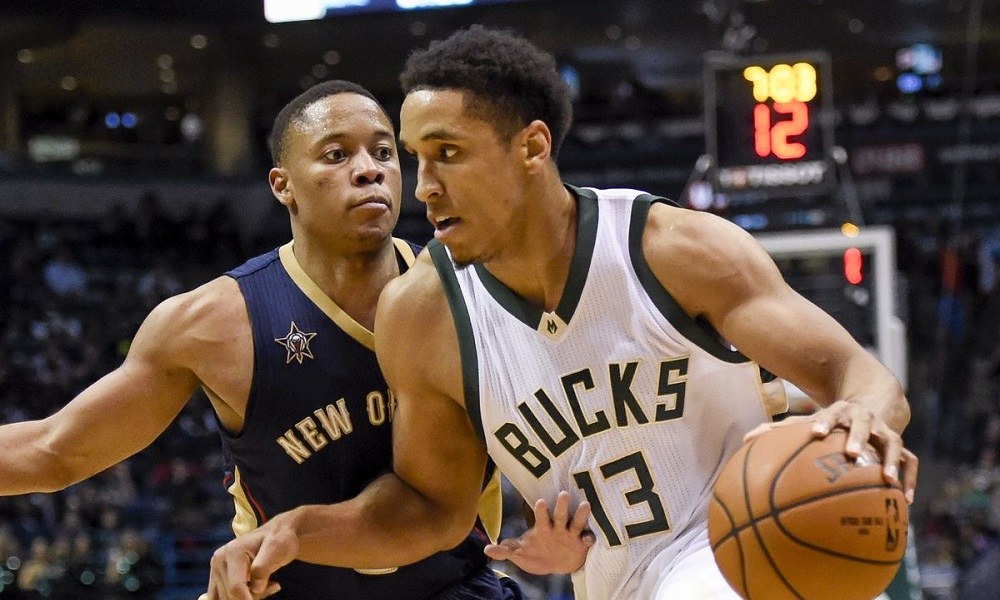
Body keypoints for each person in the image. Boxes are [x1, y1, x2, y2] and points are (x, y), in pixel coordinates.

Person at [206, 27, 919, 599]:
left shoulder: (672, 250)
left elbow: (860, 376)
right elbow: (432, 508)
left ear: (533, 147)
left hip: (741, 554)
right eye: (417, 157)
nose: (424, 187)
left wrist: (864, 418)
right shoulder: (424, 315)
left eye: (448, 153)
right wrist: (296, 531)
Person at [0, 79, 544, 599]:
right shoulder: (213, 323)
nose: (368, 170)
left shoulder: (467, 293)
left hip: (453, 587)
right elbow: (55, 452)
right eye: (336, 155)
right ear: (282, 185)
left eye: (383, 152)